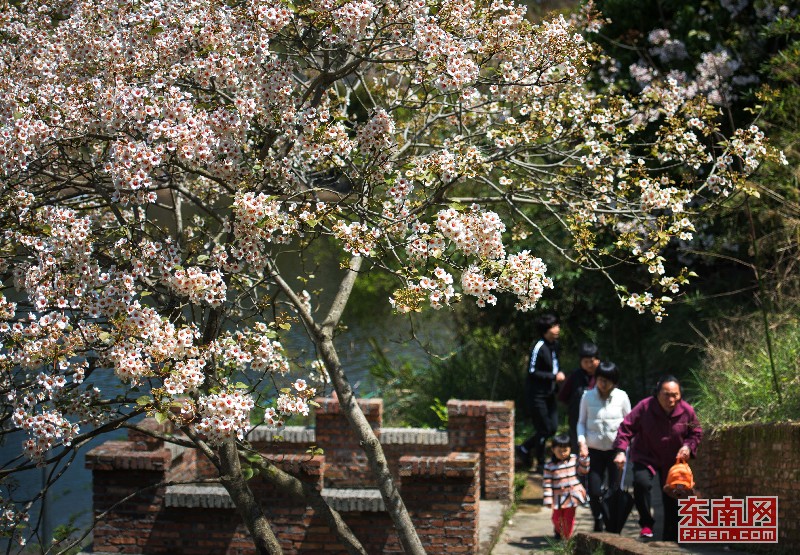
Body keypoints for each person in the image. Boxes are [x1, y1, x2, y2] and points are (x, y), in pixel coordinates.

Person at [612, 376, 702, 541]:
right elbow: (626, 427)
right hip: (645, 455)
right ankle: (646, 523)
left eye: (675, 395)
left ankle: (670, 535)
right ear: (657, 394)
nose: (671, 399)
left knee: (673, 495)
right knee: (641, 482)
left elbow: (696, 432)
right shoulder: (645, 407)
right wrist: (620, 450)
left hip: (673, 460)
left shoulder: (687, 410)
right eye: (666, 394)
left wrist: (688, 446)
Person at [577, 361, 631, 531]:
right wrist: (582, 442)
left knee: (615, 489)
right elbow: (581, 422)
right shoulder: (587, 396)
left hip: (616, 451)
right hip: (593, 450)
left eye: (607, 380)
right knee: (594, 490)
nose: (603, 383)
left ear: (614, 381)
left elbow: (629, 424)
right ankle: (598, 516)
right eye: (600, 379)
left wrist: (624, 449)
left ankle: (612, 522)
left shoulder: (622, 397)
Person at [516, 313, 565, 473]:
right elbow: (532, 371)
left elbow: (555, 365)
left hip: (550, 393)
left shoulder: (555, 345)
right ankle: (541, 463)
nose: (557, 329)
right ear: (545, 330)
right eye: (553, 326)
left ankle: (524, 447)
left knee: (552, 428)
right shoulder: (539, 347)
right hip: (537, 395)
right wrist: (553, 377)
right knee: (543, 429)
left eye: (557, 325)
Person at [543, 433, 590, 540]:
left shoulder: (574, 459)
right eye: (559, 450)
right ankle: (559, 530)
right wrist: (548, 499)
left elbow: (584, 471)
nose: (563, 453)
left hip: (572, 496)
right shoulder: (549, 466)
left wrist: (584, 458)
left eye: (565, 450)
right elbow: (547, 484)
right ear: (553, 449)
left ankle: (566, 539)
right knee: (556, 518)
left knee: (568, 519)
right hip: (558, 497)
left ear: (570, 449)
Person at [558, 342, 601, 452]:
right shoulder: (575, 376)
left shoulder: (604, 375)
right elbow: (563, 396)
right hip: (577, 420)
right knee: (579, 450)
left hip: (598, 422)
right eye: (585, 362)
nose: (589, 365)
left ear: (598, 360)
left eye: (591, 361)